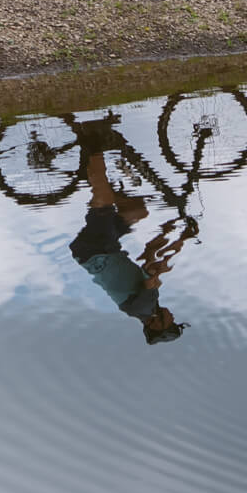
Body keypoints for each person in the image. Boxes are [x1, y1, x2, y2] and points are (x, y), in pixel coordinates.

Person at [66, 115, 191, 345]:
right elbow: (150, 254)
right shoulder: (148, 303)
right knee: (137, 211)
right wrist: (176, 234)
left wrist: (173, 246)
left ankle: (92, 140)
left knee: (103, 199)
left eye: (170, 322)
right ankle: (94, 174)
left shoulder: (143, 309)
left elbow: (153, 272)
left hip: (96, 250)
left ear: (156, 324)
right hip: (108, 246)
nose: (173, 316)